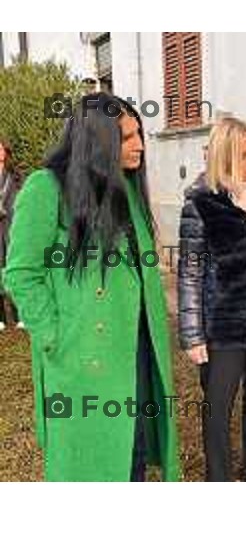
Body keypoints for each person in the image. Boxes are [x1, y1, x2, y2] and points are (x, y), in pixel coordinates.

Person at [2, 93, 179, 481]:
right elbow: (20, 273)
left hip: (134, 345)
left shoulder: (127, 189)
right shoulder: (44, 188)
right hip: (82, 355)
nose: (140, 146)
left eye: (139, 134)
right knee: (88, 457)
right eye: (127, 138)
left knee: (131, 446)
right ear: (98, 142)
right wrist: (54, 334)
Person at [178, 116, 246, 482]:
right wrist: (192, 335)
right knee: (218, 409)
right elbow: (189, 274)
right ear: (222, 157)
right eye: (243, 155)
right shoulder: (201, 204)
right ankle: (217, 477)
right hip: (223, 328)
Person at [0, 138, 24, 331]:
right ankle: (0, 318)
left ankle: (19, 316)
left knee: (14, 268)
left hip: (12, 227)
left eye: (1, 150)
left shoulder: (15, 176)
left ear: (6, 153)